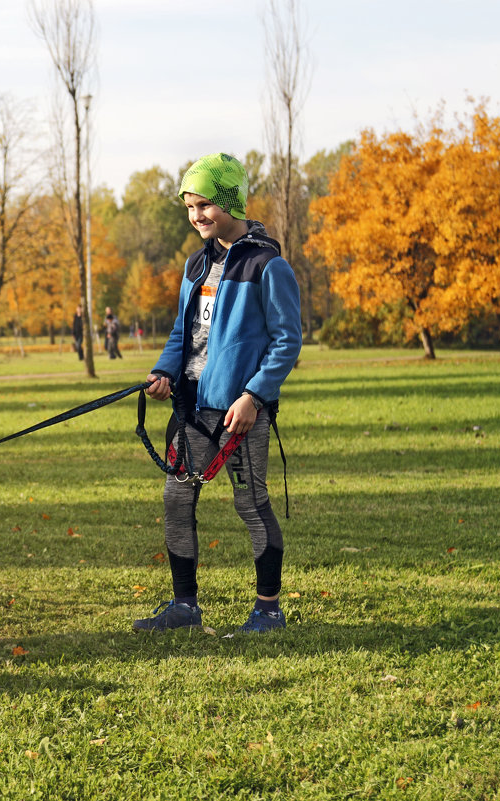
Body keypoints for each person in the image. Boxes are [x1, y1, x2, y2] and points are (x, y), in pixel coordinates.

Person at [135, 153, 301, 635]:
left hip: (239, 412)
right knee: (176, 499)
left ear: (230, 200)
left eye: (205, 204)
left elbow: (287, 341)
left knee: (251, 504)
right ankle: (185, 607)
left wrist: (253, 396)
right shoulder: (196, 264)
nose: (197, 216)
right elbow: (180, 334)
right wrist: (163, 373)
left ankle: (268, 611)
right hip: (192, 408)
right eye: (189, 207)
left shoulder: (268, 265)